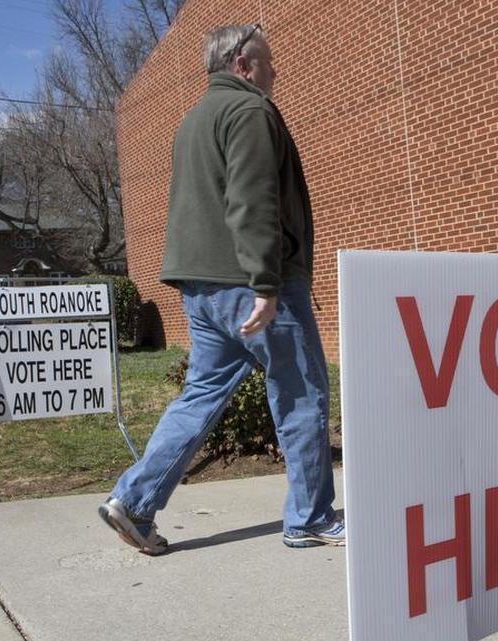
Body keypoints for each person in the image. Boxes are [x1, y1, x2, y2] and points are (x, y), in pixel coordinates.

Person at [98, 24, 342, 555]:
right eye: (268, 61)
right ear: (242, 64)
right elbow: (252, 201)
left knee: (201, 395)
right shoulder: (250, 111)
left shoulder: (193, 120)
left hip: (202, 289)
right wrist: (266, 283)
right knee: (301, 394)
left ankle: (134, 502)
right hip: (248, 285)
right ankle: (311, 518)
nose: (276, 71)